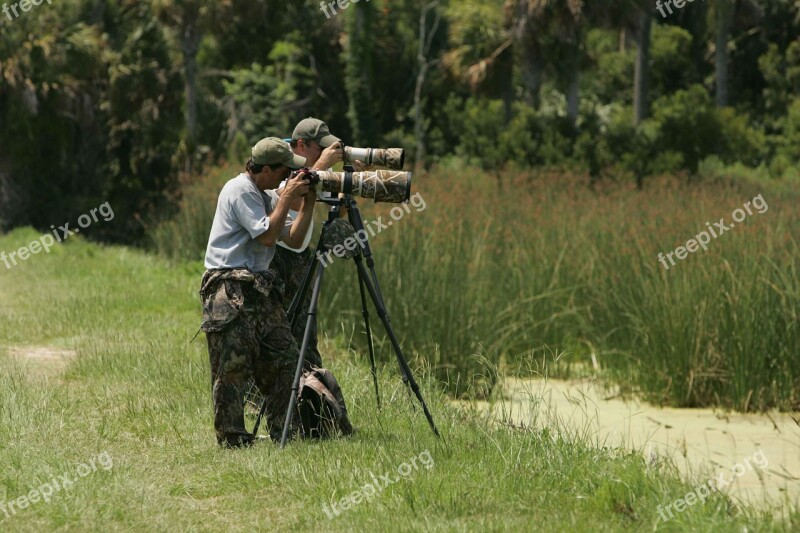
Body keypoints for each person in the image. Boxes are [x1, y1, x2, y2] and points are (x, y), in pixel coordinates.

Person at [199, 137, 317, 447]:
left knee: (286, 361)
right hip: (229, 289)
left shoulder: (263, 194)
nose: (287, 178)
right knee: (232, 370)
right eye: (284, 172)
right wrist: (286, 197)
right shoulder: (239, 190)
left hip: (260, 289)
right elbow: (267, 235)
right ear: (266, 169)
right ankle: (233, 441)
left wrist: (309, 202)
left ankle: (285, 434)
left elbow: (292, 238)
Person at [270, 118, 359, 367]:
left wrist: (353, 180)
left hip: (299, 256)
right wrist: (320, 166)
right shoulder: (279, 161)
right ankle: (264, 397)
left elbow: (337, 211)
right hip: (272, 256)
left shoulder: (319, 168)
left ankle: (309, 393)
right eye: (320, 148)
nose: (326, 153)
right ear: (301, 145)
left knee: (305, 330)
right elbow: (291, 202)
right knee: (272, 329)